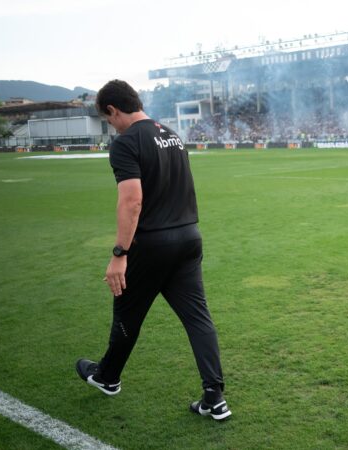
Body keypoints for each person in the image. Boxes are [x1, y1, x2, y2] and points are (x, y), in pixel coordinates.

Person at [75, 79, 230, 421]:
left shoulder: (127, 142)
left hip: (152, 244)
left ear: (113, 110)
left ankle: (107, 377)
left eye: (107, 118)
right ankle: (214, 397)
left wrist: (119, 254)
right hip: (189, 237)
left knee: (127, 312)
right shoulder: (172, 134)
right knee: (197, 319)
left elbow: (132, 200)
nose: (110, 125)